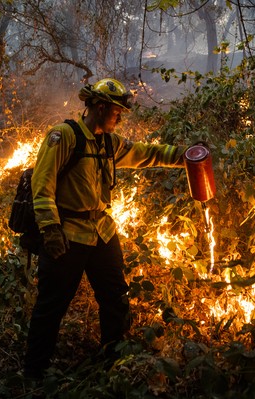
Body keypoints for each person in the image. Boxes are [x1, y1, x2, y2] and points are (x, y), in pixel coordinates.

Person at [23, 78, 187, 379]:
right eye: (116, 112)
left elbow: (146, 153)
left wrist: (184, 156)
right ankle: (34, 373)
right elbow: (41, 186)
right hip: (67, 236)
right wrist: (50, 231)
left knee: (115, 299)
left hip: (102, 232)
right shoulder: (64, 136)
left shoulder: (110, 143)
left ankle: (114, 361)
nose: (120, 117)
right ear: (99, 108)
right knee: (51, 306)